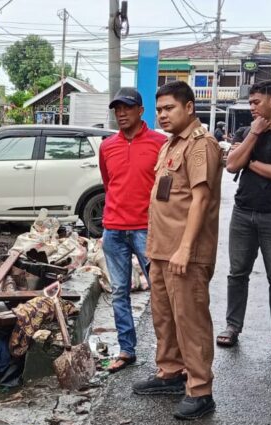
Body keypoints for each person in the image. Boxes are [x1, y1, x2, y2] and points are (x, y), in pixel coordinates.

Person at [130, 81, 222, 420]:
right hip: (162, 249)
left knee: (190, 321)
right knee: (164, 317)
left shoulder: (201, 145)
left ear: (189, 107)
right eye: (159, 110)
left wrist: (185, 249)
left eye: (169, 108)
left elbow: (201, 199)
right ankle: (170, 372)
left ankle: (200, 390)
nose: (163, 115)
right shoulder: (171, 144)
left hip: (186, 253)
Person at [217, 81, 271, 356]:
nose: (252, 107)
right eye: (250, 102)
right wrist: (254, 134)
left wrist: (251, 163)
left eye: (256, 102)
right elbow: (232, 164)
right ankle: (232, 327)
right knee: (237, 273)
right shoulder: (246, 132)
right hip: (243, 213)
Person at [99, 87, 167, 373]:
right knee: (118, 292)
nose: (121, 113)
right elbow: (109, 183)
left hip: (146, 229)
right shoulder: (107, 146)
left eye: (127, 107)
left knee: (160, 293)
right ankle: (127, 350)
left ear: (141, 110)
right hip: (113, 229)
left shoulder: (160, 143)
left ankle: (168, 355)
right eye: (117, 109)